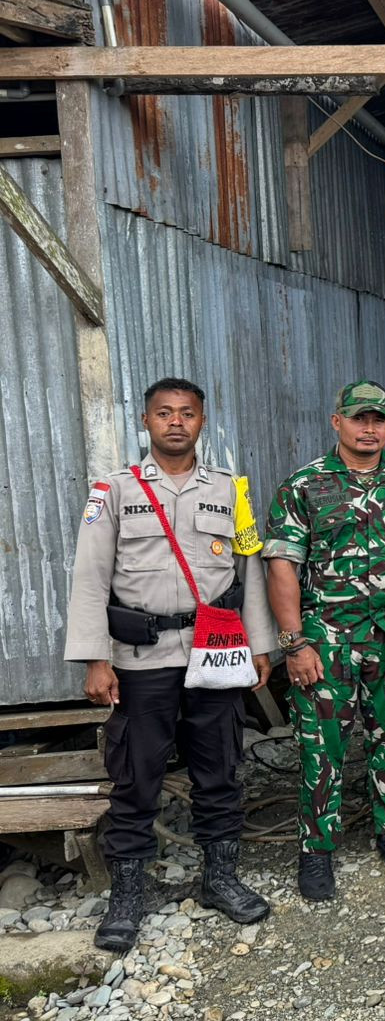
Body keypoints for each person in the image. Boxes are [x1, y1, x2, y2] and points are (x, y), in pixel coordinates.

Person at [63, 378, 274, 953]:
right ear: (146, 421)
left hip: (215, 653)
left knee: (220, 767)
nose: (176, 422)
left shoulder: (231, 490)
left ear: (203, 420)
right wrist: (95, 659)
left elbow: (249, 570)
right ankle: (129, 894)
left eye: (187, 413)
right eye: (164, 413)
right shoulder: (114, 490)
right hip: (140, 659)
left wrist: (259, 645)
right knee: (136, 775)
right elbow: (90, 577)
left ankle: (220, 879)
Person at [263, 380, 385, 901]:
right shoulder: (304, 485)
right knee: (321, 746)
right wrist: (294, 644)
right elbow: (282, 567)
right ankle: (317, 848)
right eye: (359, 418)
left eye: (378, 419)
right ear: (337, 421)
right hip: (326, 641)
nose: (369, 428)